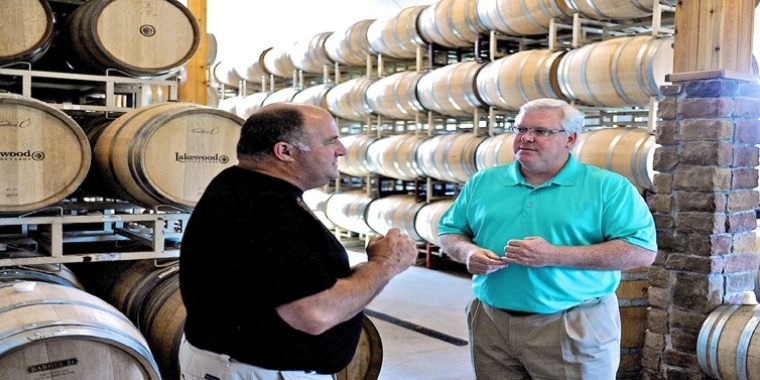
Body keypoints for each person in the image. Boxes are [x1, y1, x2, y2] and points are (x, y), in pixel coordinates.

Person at [178, 102, 418, 380]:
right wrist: (386, 265)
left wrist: (371, 266)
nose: (341, 149)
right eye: (330, 141)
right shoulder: (263, 207)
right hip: (257, 372)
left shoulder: (248, 187)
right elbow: (313, 314)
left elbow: (298, 283)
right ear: (285, 151)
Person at [437, 98, 657, 379]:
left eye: (541, 131)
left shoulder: (608, 187)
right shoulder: (483, 182)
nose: (526, 138)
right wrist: (467, 252)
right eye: (520, 129)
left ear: (570, 139)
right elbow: (450, 231)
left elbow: (641, 250)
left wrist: (554, 256)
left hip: (572, 325)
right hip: (490, 322)